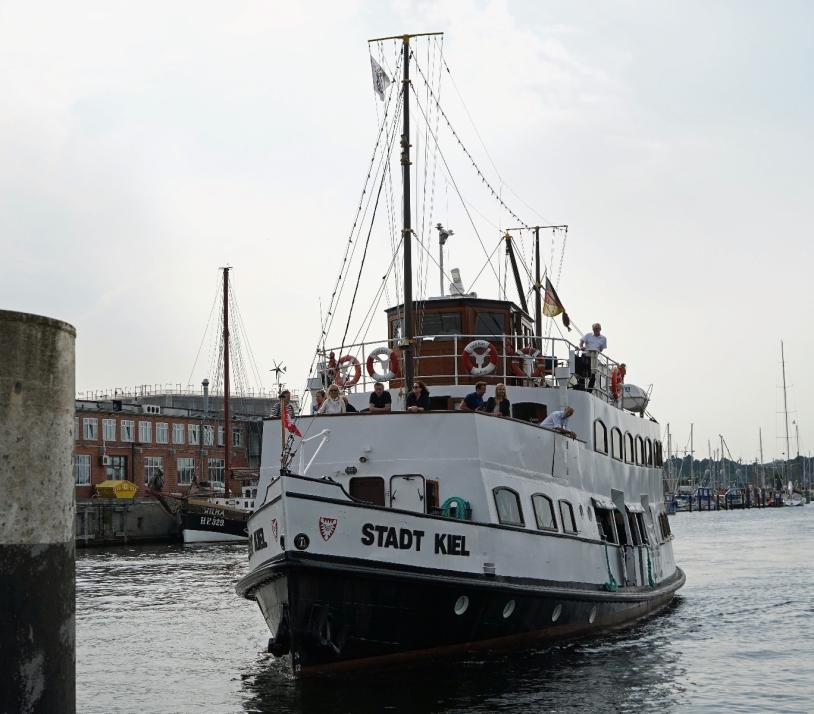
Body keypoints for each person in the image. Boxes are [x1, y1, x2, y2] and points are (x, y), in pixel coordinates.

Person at [577, 323, 607, 391]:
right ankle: (581, 387)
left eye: (597, 328)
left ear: (600, 329)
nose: (596, 330)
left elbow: (601, 348)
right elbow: (581, 341)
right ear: (592, 329)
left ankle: (590, 390)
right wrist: (581, 347)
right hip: (586, 354)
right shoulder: (588, 335)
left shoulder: (603, 338)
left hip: (594, 356)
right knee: (583, 371)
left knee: (593, 373)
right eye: (595, 329)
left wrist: (597, 352)